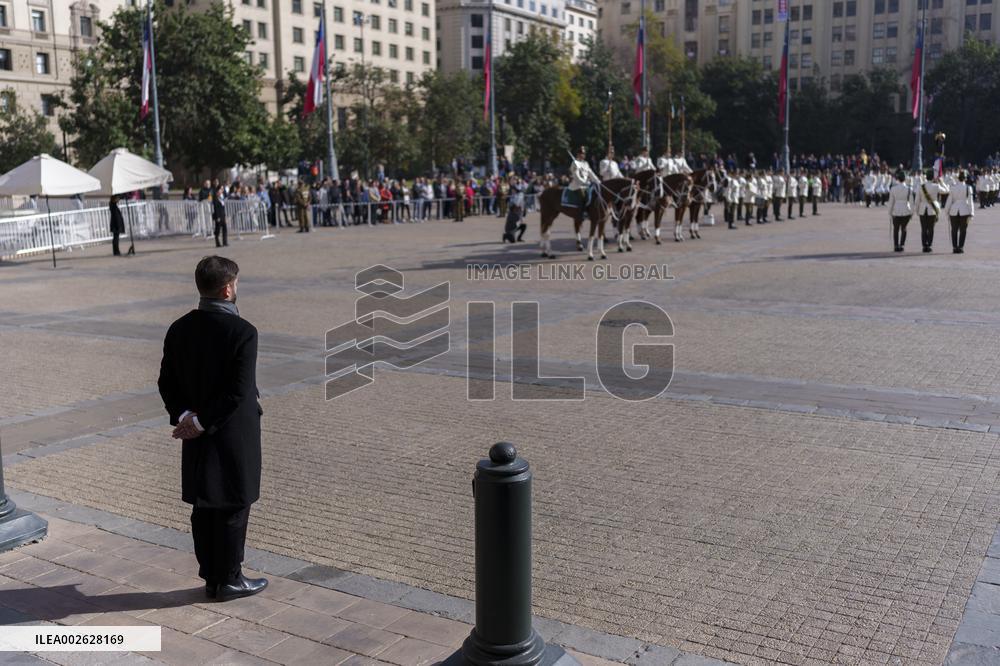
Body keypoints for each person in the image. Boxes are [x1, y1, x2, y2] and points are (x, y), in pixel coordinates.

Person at [157, 256, 266, 602]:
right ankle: (230, 578)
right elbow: (238, 391)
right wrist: (202, 421)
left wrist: (186, 417)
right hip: (232, 432)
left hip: (197, 432)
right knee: (235, 503)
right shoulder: (243, 332)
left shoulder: (179, 327)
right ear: (228, 288)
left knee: (204, 506)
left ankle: (212, 578)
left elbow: (165, 382)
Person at [916, 169, 944, 253]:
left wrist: (917, 210)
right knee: (931, 229)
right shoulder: (936, 186)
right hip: (932, 209)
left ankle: (924, 245)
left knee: (924, 229)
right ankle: (929, 245)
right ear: (932, 177)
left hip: (922, 209)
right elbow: (946, 190)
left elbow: (917, 200)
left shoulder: (921, 186)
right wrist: (942, 182)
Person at [947, 171, 975, 254]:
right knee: (963, 230)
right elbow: (970, 202)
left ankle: (955, 247)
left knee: (954, 230)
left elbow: (949, 201)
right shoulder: (968, 188)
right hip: (964, 210)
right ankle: (961, 247)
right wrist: (972, 212)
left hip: (954, 210)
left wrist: (946, 211)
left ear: (958, 178)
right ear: (965, 179)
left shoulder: (953, 187)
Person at [887, 171, 913, 252]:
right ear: (905, 179)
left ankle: (896, 245)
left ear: (898, 179)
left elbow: (891, 202)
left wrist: (889, 212)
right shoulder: (909, 189)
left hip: (896, 210)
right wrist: (912, 212)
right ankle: (902, 245)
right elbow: (911, 202)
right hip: (906, 210)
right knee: (904, 229)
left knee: (896, 229)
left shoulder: (893, 188)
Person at [211, 182, 228, 247]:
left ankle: (225, 242)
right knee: (217, 230)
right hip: (218, 216)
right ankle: (217, 243)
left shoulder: (221, 198)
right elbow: (215, 209)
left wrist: (225, 216)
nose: (222, 191)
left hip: (222, 215)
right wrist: (217, 217)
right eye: (221, 189)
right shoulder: (215, 198)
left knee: (224, 229)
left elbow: (223, 208)